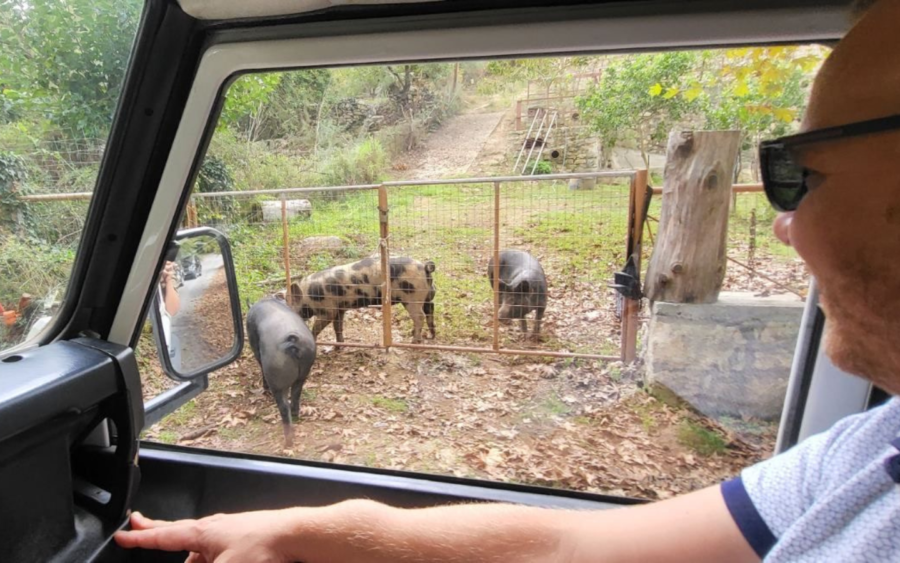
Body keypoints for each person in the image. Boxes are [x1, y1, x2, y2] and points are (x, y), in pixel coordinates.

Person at [115, 0, 900, 561]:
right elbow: (570, 540)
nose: (783, 221)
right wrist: (300, 529)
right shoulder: (865, 455)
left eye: (799, 172)